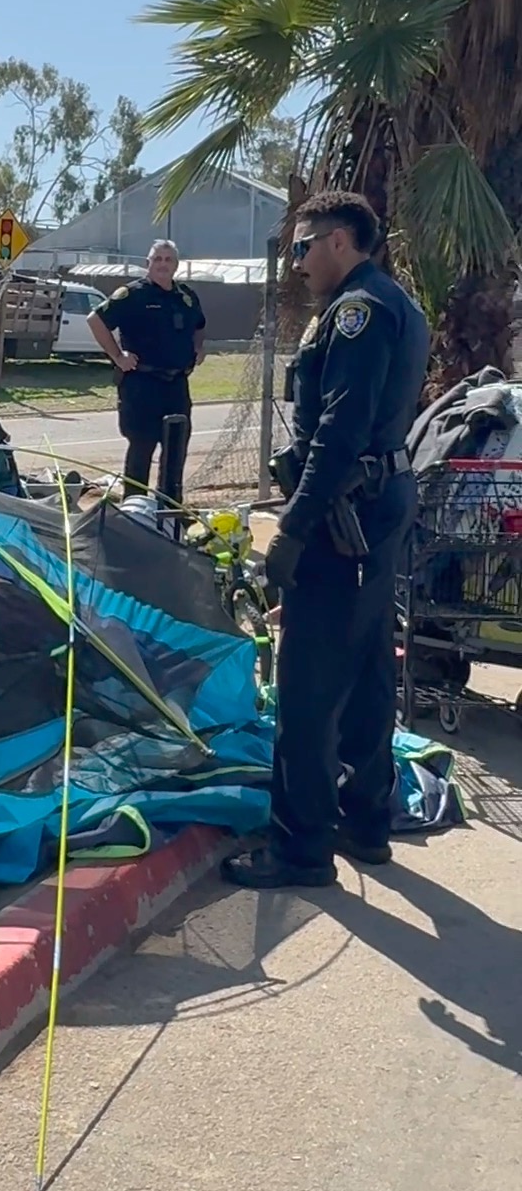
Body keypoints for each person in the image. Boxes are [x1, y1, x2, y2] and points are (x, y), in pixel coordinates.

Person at [222, 188, 430, 892]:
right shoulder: (392, 302)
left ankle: (300, 848)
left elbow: (338, 434)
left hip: (346, 514)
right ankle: (366, 821)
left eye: (304, 246)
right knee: (370, 667)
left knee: (307, 685)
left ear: (340, 239)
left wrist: (293, 528)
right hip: (379, 503)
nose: (298, 262)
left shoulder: (358, 314)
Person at [87, 239, 206, 501]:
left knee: (176, 449)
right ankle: (135, 508)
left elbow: (199, 325)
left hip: (176, 385)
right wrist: (118, 356)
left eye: (168, 259)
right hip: (142, 385)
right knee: (142, 448)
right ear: (148, 263)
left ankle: (170, 508)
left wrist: (198, 348)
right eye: (158, 259)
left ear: (176, 265)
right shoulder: (133, 294)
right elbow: (95, 319)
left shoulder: (186, 297)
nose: (163, 264)